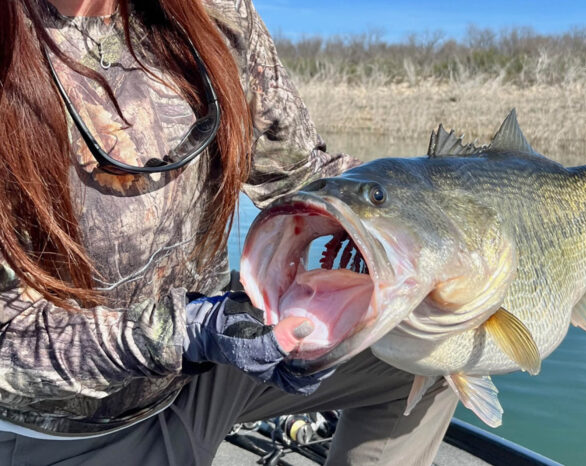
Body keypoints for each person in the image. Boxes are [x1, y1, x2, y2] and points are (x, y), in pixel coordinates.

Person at [0, 1, 457, 464]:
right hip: (69, 429)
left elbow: (302, 174)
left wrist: (428, 217)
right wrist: (191, 333)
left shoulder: (216, 12)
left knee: (435, 350)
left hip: (204, 367)